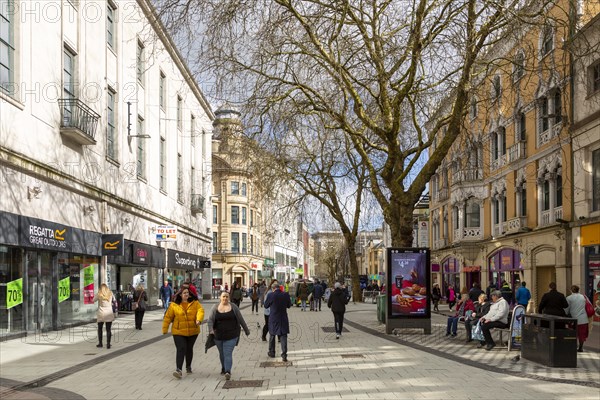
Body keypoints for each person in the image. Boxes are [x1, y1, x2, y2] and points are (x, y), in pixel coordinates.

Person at [162, 287, 205, 379]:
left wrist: (199, 319)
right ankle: (178, 369)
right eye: (184, 293)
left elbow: (200, 311)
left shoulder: (195, 303)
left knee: (189, 349)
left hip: (193, 330)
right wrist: (165, 329)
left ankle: (188, 366)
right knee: (181, 348)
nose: (186, 294)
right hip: (178, 331)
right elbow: (167, 317)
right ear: (180, 295)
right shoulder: (174, 305)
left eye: (187, 293)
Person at [208, 291, 250, 380]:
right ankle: (224, 367)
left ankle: (228, 371)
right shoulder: (215, 307)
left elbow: (240, 319)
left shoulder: (234, 307)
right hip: (218, 336)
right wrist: (211, 330)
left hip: (232, 335)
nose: (225, 298)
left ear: (229, 298)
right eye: (223, 296)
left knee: (227, 353)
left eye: (227, 296)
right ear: (220, 297)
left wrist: (246, 330)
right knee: (222, 353)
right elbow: (210, 320)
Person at [264, 282, 292, 361]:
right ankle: (284, 355)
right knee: (283, 336)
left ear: (273, 289)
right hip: (283, 318)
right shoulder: (285, 294)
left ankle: (272, 352)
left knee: (272, 335)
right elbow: (289, 305)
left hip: (273, 318)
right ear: (279, 288)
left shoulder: (270, 295)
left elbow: (266, 305)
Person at [565, 285, 590, 352]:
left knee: (573, 333)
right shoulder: (583, 297)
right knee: (582, 334)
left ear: (571, 290)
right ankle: (580, 348)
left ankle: (573, 346)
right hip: (583, 319)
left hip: (574, 319)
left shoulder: (569, 298)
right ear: (578, 290)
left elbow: (566, 309)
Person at [93, 283, 115, 349]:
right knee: (108, 329)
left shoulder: (99, 294)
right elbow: (114, 300)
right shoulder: (110, 293)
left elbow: (93, 300)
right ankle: (108, 344)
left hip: (101, 312)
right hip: (109, 312)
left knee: (100, 328)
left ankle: (100, 343)